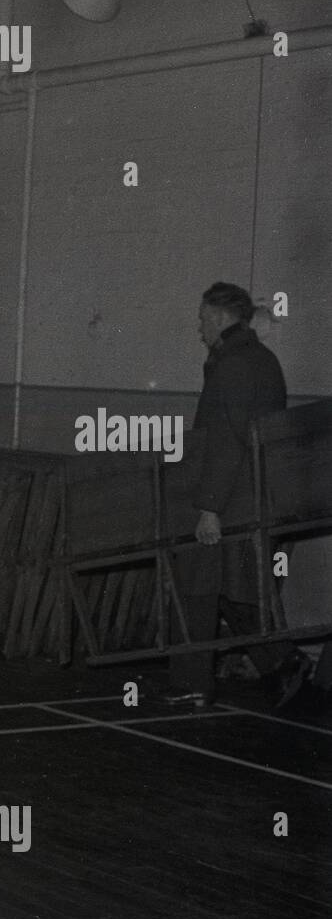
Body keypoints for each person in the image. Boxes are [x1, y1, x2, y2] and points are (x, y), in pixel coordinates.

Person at [168, 282, 310, 710]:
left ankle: (194, 682)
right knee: (234, 590)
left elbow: (226, 442)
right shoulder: (264, 360)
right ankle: (283, 663)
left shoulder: (230, 366)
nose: (198, 327)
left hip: (229, 499)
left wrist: (209, 508)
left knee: (197, 587)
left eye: (201, 318)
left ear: (220, 317)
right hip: (255, 496)